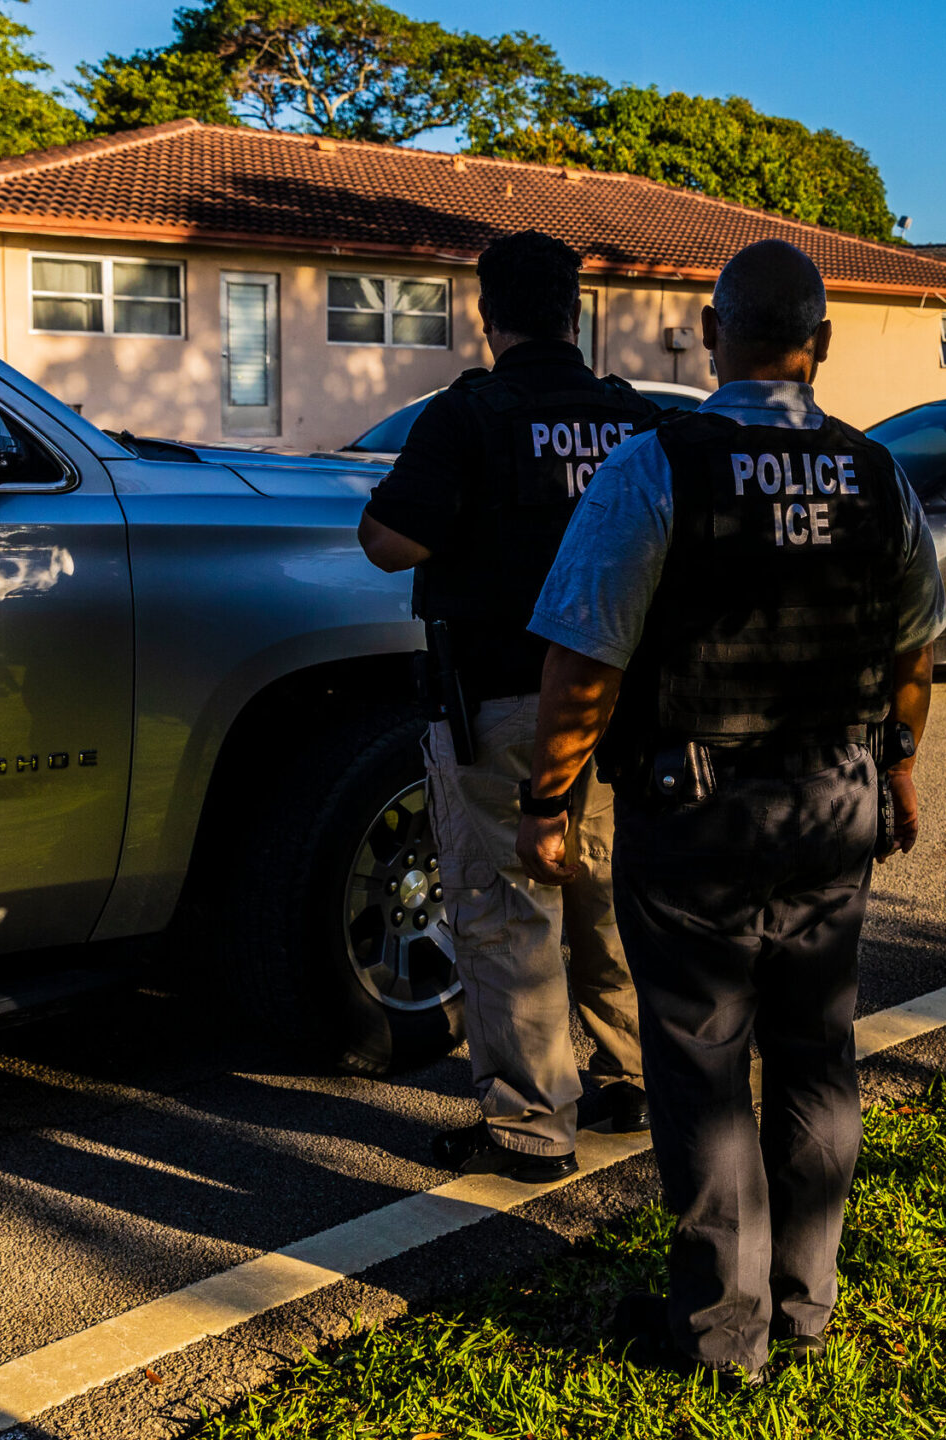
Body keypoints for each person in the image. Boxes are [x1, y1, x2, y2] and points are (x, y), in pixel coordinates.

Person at [513, 239, 943, 1386]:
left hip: (695, 814)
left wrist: (546, 800)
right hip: (835, 800)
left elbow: (583, 669)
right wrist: (898, 768)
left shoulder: (657, 469)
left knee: (701, 1064)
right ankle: (805, 1304)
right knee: (817, 1054)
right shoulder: (876, 474)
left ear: (711, 336)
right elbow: (913, 653)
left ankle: (718, 1335)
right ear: (823, 345)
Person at [357, 229, 660, 1181]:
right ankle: (630, 1080)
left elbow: (389, 542)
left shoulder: (470, 415)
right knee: (607, 901)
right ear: (576, 313)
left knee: (506, 915)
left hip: (502, 704)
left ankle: (531, 1128)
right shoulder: (632, 419)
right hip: (618, 708)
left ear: (489, 317)